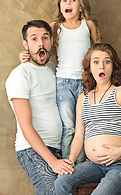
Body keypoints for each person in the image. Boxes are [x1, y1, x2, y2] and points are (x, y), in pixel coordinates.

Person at [55, 43, 121, 195]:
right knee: (62, 182)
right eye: (96, 61)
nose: (102, 66)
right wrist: (71, 160)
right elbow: (79, 136)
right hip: (94, 165)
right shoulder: (83, 98)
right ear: (89, 67)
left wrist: (120, 152)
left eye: (107, 61)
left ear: (113, 66)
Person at [19, 0, 101, 162]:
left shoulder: (88, 25)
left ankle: (83, 165)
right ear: (60, 7)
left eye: (73, 0)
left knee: (83, 125)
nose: (68, 3)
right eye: (64, 0)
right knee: (69, 127)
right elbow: (41, 47)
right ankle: (68, 164)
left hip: (85, 82)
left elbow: (99, 49)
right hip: (63, 82)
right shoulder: (55, 27)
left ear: (80, 7)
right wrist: (24, 54)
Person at [5, 20, 74, 195]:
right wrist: (52, 161)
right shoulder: (20, 75)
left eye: (45, 38)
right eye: (34, 39)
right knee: (54, 192)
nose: (40, 44)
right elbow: (25, 126)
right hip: (32, 149)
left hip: (61, 147)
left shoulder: (56, 70)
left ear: (52, 40)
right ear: (26, 45)